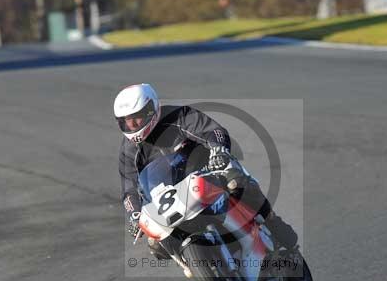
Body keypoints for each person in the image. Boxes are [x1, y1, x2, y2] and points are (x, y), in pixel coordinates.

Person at [115, 83, 298, 258]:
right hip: (170, 195)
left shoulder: (178, 116)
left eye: (136, 118)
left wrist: (218, 150)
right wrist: (134, 214)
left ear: (150, 110)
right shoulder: (128, 150)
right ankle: (191, 264)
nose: (132, 126)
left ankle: (272, 220)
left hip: (208, 170)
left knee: (236, 181)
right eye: (125, 122)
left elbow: (214, 131)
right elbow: (129, 189)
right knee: (155, 244)